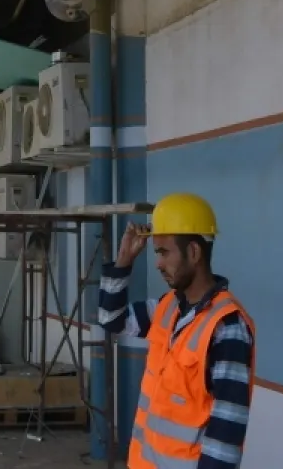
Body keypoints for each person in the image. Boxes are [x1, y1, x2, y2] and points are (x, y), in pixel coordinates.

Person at [97, 193, 255, 469]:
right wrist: (123, 261)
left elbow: (226, 435)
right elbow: (111, 320)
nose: (158, 263)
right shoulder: (167, 307)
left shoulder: (227, 327)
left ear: (193, 252)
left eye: (164, 252)